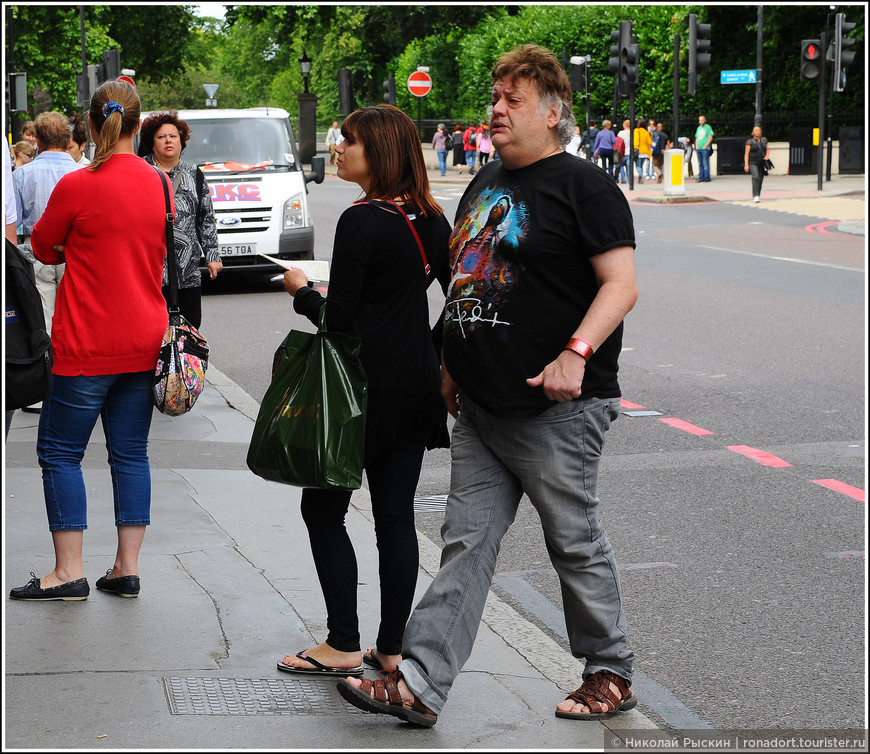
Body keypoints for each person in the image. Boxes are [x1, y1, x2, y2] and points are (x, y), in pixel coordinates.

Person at [338, 43, 638, 727]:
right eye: (494, 97)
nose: (495, 110)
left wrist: (575, 353)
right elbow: (467, 283)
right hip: (480, 405)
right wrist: (449, 361)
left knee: (572, 539)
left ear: (553, 112)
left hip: (556, 404)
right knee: (465, 543)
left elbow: (621, 286)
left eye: (512, 99)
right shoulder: (485, 183)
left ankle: (609, 671)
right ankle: (418, 683)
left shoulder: (585, 187)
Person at [275, 104, 451, 679]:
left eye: (348, 141)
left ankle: (343, 642)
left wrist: (303, 292)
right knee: (394, 516)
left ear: (377, 149)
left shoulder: (361, 220)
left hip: (360, 389)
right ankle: (392, 648)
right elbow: (465, 300)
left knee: (322, 509)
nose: (339, 149)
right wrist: (427, 349)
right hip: (416, 385)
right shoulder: (430, 218)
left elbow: (341, 322)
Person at [9, 79, 170, 602]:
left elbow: (45, 248)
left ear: (92, 125)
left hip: (86, 341)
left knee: (59, 452)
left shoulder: (78, 185)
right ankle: (126, 569)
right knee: (130, 454)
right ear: (139, 124)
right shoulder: (157, 183)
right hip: (144, 336)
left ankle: (67, 572)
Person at [12, 111, 83, 414]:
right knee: (76, 321)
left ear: (37, 140)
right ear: (69, 140)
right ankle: (75, 385)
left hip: (35, 256)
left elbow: (13, 225)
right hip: (76, 256)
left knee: (42, 321)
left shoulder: (23, 175)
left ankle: (44, 387)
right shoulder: (86, 172)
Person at [138, 111, 221, 330]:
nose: (168, 141)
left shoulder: (194, 174)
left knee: (190, 329)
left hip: (188, 270)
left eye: (173, 136)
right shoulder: (140, 171)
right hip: (150, 270)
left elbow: (206, 218)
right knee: (154, 330)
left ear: (181, 141)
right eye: (161, 137)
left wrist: (212, 255)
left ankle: (186, 366)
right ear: (151, 142)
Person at [744, 124, 770, 203]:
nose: (758, 132)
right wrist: (746, 164)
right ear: (753, 132)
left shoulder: (764, 140)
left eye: (759, 130)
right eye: (756, 130)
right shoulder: (750, 142)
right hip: (752, 162)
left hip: (761, 162)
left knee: (760, 179)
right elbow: (747, 153)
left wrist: (767, 156)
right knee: (756, 177)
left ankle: (758, 194)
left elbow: (767, 149)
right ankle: (755, 195)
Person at [695, 115, 714, 182]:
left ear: (705, 120)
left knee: (705, 163)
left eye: (702, 120)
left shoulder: (708, 127)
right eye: (699, 120)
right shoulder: (698, 128)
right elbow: (697, 137)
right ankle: (701, 177)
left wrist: (706, 146)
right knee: (700, 163)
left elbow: (710, 137)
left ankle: (706, 177)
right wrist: (696, 146)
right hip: (699, 148)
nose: (700, 121)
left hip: (705, 148)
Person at [633, 118, 652, 184]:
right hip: (645, 152)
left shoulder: (636, 130)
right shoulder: (646, 132)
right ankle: (640, 179)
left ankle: (640, 176)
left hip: (639, 151)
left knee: (638, 166)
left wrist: (635, 148)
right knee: (641, 165)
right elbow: (650, 142)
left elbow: (635, 141)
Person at [616, 119, 631, 183]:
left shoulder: (621, 133)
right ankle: (630, 179)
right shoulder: (632, 132)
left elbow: (619, 142)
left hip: (622, 151)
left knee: (621, 166)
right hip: (630, 151)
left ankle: (623, 179)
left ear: (624, 125)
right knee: (629, 166)